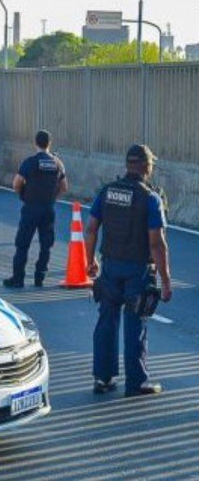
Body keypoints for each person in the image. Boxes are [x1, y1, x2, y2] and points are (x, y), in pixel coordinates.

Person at [85, 144, 172, 397]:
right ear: (146, 166)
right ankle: (136, 383)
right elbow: (157, 243)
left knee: (106, 321)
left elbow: (91, 230)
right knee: (136, 324)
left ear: (127, 165)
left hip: (110, 266)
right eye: (151, 164)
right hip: (138, 270)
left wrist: (90, 261)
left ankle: (102, 379)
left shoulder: (107, 191)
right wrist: (166, 281)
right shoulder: (150, 198)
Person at [4, 130, 68, 289]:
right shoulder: (57, 163)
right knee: (46, 245)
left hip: (31, 208)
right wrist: (52, 198)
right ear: (49, 143)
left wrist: (24, 194)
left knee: (22, 244)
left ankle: (18, 279)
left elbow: (16, 184)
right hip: (48, 209)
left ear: (35, 143)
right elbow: (64, 187)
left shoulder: (29, 162)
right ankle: (40, 277)